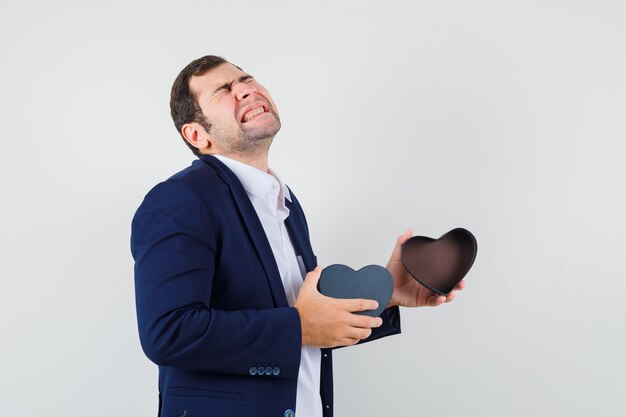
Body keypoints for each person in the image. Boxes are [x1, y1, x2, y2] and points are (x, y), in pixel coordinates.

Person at [130, 55, 464, 417]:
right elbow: (168, 333)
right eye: (224, 90)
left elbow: (312, 323)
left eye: (247, 79)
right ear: (197, 135)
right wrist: (299, 326)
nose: (245, 88)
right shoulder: (180, 200)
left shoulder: (286, 205)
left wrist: (387, 296)